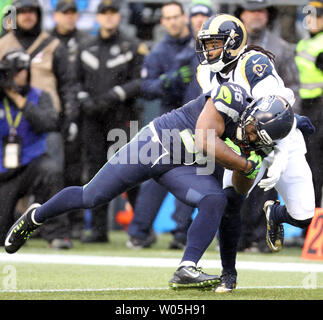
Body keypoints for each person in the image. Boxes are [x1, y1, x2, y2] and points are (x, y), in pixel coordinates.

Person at [4, 80, 295, 292]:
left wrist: (254, 162)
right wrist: (246, 163)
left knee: (215, 199)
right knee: (92, 195)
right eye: (254, 128)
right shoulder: (231, 95)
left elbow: (239, 191)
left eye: (259, 137)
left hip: (183, 166)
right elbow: (206, 140)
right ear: (253, 111)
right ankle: (35, 217)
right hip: (153, 145)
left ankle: (186, 268)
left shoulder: (258, 145)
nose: (252, 135)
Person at [195, 13, 315, 292]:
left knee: (304, 215)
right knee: (230, 202)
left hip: (281, 135)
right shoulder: (206, 72)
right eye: (207, 44)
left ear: (233, 42)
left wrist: (281, 154)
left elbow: (278, 112)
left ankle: (275, 214)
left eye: (215, 44)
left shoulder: (254, 63)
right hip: (244, 142)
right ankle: (228, 274)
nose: (209, 50)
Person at [127, 0, 213, 250]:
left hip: (204, 124)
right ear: (163, 22)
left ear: (183, 18)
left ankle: (180, 233)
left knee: (194, 176)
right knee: (156, 177)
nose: (174, 21)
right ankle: (140, 231)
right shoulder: (160, 52)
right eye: (169, 18)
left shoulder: (204, 48)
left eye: (178, 16)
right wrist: (169, 81)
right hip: (172, 121)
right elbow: (147, 88)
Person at [0, 0, 78, 249]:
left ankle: (56, 231)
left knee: (52, 171)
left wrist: (70, 116)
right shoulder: (2, 42)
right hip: (6, 141)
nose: (27, 16)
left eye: (32, 11)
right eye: (21, 12)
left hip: (43, 121)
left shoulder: (53, 44)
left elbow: (68, 84)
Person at [75, 0, 148, 243]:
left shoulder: (132, 45)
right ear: (97, 17)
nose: (108, 17)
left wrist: (115, 94)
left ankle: (140, 230)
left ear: (119, 16)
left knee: (131, 172)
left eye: (113, 12)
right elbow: (74, 80)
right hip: (93, 120)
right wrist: (84, 98)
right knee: (96, 172)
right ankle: (98, 230)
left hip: (123, 118)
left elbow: (140, 81)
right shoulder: (86, 47)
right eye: (104, 13)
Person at [233, 0, 301, 252]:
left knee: (267, 185)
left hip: (272, 129)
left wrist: (286, 123)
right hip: (239, 129)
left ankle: (262, 236)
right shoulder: (233, 47)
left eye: (260, 10)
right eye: (250, 10)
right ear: (241, 14)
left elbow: (294, 88)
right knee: (237, 181)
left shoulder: (282, 48)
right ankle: (236, 236)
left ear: (267, 15)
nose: (256, 15)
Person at [0, 49, 62, 246]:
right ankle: (17, 218)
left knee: (51, 170)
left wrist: (19, 100)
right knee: (3, 237)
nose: (17, 75)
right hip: (2, 170)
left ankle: (56, 234)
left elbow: (49, 123)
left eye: (20, 70)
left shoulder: (39, 96)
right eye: (10, 72)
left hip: (29, 164)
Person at [51, 0, 92, 239]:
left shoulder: (86, 41)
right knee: (51, 171)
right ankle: (48, 220)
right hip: (50, 112)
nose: (69, 17)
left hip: (79, 111)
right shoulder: (45, 41)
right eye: (64, 13)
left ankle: (75, 221)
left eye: (72, 13)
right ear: (55, 15)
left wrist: (76, 109)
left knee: (75, 170)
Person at [295, 0, 323, 208]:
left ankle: (311, 226)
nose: (312, 20)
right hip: (305, 107)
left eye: (317, 15)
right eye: (309, 15)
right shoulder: (304, 43)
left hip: (319, 107)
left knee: (315, 167)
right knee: (308, 166)